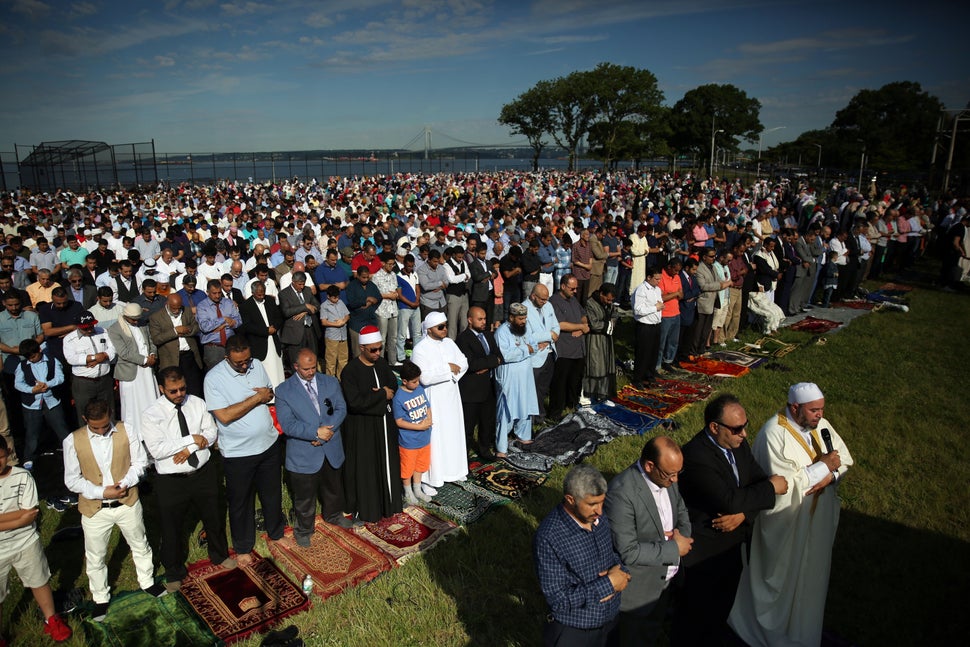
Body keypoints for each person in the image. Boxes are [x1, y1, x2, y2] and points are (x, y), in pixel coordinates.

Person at [729, 382, 853, 647]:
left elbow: (843, 458)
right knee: (781, 580)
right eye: (813, 410)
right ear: (795, 407)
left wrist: (830, 476)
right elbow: (782, 485)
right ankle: (771, 633)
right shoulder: (773, 434)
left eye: (821, 409)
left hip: (815, 522)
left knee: (812, 579)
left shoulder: (820, 425)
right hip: (787, 525)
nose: (819, 415)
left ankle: (803, 633)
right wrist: (823, 467)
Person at [673, 394, 788, 646]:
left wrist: (745, 514)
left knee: (719, 612)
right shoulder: (695, 456)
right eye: (737, 428)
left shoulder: (737, 445)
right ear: (715, 427)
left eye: (745, 426)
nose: (744, 434)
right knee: (693, 621)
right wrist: (771, 489)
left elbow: (754, 484)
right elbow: (729, 500)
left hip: (733, 547)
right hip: (703, 553)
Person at [63, 399, 165, 619]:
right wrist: (102, 492)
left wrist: (125, 483)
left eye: (105, 425)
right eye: (95, 427)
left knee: (140, 543)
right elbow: (72, 480)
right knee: (95, 555)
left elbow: (139, 462)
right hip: (94, 508)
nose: (101, 431)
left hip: (127, 501)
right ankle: (100, 597)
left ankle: (147, 581)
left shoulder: (126, 429)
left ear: (110, 415)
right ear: (84, 420)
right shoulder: (72, 441)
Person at [140, 367, 235, 593]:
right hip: (172, 480)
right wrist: (191, 438)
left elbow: (210, 433)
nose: (180, 394)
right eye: (173, 391)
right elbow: (157, 449)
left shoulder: (197, 403)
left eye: (182, 388)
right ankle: (173, 571)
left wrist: (191, 447)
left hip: (202, 472)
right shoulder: (151, 414)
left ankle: (219, 555)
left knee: (213, 516)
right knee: (171, 527)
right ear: (161, 389)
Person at [604, 436, 692, 647]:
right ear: (649, 465)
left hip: (664, 582)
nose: (675, 480)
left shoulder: (667, 477)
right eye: (670, 474)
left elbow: (681, 510)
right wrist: (673, 548)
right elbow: (628, 551)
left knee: (650, 634)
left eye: (678, 473)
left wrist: (683, 537)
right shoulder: (622, 493)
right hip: (638, 593)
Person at [204, 336, 283, 568]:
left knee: (272, 493)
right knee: (241, 502)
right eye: (239, 362)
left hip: (268, 443)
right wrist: (256, 398)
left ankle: (276, 532)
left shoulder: (257, 364)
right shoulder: (214, 378)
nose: (246, 365)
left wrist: (261, 397)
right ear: (227, 357)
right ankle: (243, 546)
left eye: (247, 360)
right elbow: (225, 415)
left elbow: (269, 394)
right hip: (238, 453)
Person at [534, 464, 629, 647]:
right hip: (576, 631)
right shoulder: (549, 537)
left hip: (610, 620)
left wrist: (620, 571)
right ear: (570, 499)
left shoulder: (598, 519)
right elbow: (559, 601)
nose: (599, 511)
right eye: (592, 504)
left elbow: (614, 554)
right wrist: (608, 585)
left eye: (602, 502)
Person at [276, 349, 354, 546]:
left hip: (331, 446)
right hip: (304, 453)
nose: (311, 372)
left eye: (313, 367)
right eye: (306, 369)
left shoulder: (330, 382)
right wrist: (315, 432)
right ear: (295, 367)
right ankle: (304, 529)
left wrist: (327, 432)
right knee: (305, 498)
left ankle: (333, 514)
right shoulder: (284, 391)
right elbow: (288, 424)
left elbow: (341, 408)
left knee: (333, 487)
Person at [0, 437, 72, 643]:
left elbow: (30, 512)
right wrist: (18, 518)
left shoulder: (22, 476)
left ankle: (52, 620)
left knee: (39, 580)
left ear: (9, 451)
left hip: (26, 541)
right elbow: (23, 515)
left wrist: (23, 518)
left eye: (1, 457)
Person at [339, 325, 402, 522]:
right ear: (362, 348)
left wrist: (381, 393)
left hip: (384, 424)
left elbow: (393, 385)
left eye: (379, 348)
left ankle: (390, 502)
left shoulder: (382, 363)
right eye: (373, 349)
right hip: (363, 429)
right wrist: (381, 395)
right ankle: (367, 509)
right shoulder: (350, 371)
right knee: (367, 469)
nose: (377, 353)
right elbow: (356, 402)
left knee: (387, 463)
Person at [410, 311, 468, 489]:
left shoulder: (450, 343)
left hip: (451, 394)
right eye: (440, 327)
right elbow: (425, 378)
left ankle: (454, 470)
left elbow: (464, 362)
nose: (445, 329)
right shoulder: (420, 349)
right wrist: (448, 368)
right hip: (433, 398)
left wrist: (452, 375)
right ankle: (431, 479)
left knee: (453, 433)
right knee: (436, 437)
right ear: (429, 330)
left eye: (445, 325)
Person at [14, 339, 70, 472]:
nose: (32, 359)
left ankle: (71, 453)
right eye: (29, 358)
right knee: (32, 433)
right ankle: (28, 458)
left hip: (52, 402)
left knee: (61, 429)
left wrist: (47, 385)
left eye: (33, 356)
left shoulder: (52, 361)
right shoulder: (22, 366)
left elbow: (60, 377)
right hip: (32, 405)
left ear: (39, 350)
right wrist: (32, 390)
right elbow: (18, 383)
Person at [493, 302, 539, 458]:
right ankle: (501, 447)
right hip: (509, 378)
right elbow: (507, 355)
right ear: (511, 317)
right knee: (506, 409)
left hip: (525, 377)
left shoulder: (525, 329)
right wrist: (525, 349)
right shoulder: (502, 332)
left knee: (526, 404)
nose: (523, 321)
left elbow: (535, 347)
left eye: (525, 318)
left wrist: (523, 350)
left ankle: (523, 436)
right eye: (520, 318)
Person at [108, 303, 158, 441]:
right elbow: (124, 352)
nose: (135, 322)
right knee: (132, 406)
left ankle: (153, 432)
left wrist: (153, 355)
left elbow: (150, 342)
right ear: (125, 316)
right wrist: (143, 360)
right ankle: (135, 436)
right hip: (131, 372)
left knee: (150, 400)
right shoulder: (115, 329)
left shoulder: (142, 324)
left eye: (137, 319)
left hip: (147, 371)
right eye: (133, 319)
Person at [455, 306, 500, 460]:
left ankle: (484, 450)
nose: (483, 322)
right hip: (471, 391)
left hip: (488, 388)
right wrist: (490, 362)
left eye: (485, 319)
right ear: (469, 320)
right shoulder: (463, 339)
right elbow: (471, 364)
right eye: (480, 319)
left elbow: (499, 357)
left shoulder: (488, 334)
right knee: (468, 427)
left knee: (487, 423)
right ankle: (463, 457)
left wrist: (485, 365)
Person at [392, 360, 434, 505]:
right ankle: (407, 491)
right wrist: (419, 427)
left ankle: (417, 489)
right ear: (404, 381)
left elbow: (427, 406)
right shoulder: (399, 398)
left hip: (424, 438)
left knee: (421, 465)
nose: (417, 384)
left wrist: (429, 419)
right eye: (414, 381)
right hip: (409, 441)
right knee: (407, 467)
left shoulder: (420, 389)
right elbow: (399, 421)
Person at [62, 309, 116, 422]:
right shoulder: (69, 339)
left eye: (91, 326)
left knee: (109, 411)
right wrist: (93, 358)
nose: (89, 329)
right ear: (78, 326)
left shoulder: (103, 331)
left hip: (104, 380)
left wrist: (104, 355)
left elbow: (113, 348)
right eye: (85, 328)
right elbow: (71, 358)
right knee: (85, 414)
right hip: (83, 383)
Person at [548, 274, 588, 420]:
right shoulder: (554, 302)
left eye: (576, 288)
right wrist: (579, 327)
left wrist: (583, 326)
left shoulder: (573, 299)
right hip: (564, 350)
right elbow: (559, 324)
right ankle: (555, 413)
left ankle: (571, 404)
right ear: (563, 286)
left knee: (574, 380)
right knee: (560, 383)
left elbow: (583, 315)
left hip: (578, 349)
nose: (575, 291)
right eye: (572, 288)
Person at [149, 293, 204, 398]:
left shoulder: (186, 311)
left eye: (179, 308)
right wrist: (175, 331)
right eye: (174, 308)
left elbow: (196, 327)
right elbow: (156, 338)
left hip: (189, 357)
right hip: (171, 359)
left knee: (194, 389)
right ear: (167, 304)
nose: (177, 311)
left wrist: (186, 330)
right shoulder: (156, 317)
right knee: (175, 390)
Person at [238, 281, 285, 388]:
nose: (261, 296)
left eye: (263, 293)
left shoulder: (270, 301)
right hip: (259, 344)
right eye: (259, 294)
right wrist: (265, 331)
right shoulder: (246, 306)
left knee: (276, 369)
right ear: (253, 292)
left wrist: (274, 328)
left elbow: (279, 317)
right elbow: (247, 326)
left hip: (273, 340)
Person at [524, 283, 559, 423]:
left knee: (543, 389)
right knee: (533, 389)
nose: (545, 302)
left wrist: (550, 336)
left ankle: (540, 417)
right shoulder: (524, 308)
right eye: (542, 299)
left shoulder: (548, 306)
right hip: (535, 357)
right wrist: (549, 335)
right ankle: (530, 419)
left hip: (549, 352)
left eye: (546, 299)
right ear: (533, 296)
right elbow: (528, 336)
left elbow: (556, 326)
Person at [583, 283, 618, 402]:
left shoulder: (610, 304)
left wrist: (610, 323)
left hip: (607, 339)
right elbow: (594, 324)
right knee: (596, 366)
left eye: (611, 300)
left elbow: (614, 315)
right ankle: (590, 395)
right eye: (608, 299)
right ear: (601, 294)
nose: (609, 302)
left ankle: (604, 394)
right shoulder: (590, 303)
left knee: (607, 366)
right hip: (595, 340)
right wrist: (608, 324)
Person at [278, 270, 320, 368]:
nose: (302, 287)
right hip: (295, 332)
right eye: (299, 284)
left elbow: (317, 306)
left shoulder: (307, 290)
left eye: (303, 284)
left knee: (312, 357)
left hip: (310, 329)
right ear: (293, 282)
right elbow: (286, 312)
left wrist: (306, 311)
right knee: (296, 361)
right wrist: (305, 306)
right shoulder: (284, 294)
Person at [630, 266, 664, 388]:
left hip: (656, 325)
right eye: (656, 279)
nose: (658, 281)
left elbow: (660, 303)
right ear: (649, 277)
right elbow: (638, 310)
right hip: (645, 326)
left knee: (653, 352)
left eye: (660, 279)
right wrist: (655, 308)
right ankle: (638, 378)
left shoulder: (657, 290)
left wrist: (658, 307)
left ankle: (649, 376)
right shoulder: (641, 290)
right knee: (643, 353)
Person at [197, 278, 240, 370]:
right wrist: (223, 319)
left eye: (219, 293)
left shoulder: (228, 303)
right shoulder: (202, 306)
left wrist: (225, 325)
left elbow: (239, 321)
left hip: (230, 346)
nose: (217, 296)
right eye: (214, 293)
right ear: (207, 292)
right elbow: (205, 327)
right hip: (213, 348)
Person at [320, 285, 350, 378]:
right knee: (331, 360)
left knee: (343, 359)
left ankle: (342, 378)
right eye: (334, 297)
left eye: (337, 297)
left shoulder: (341, 302)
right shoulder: (324, 306)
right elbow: (324, 322)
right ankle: (330, 379)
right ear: (328, 296)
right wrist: (336, 324)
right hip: (332, 336)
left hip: (343, 335)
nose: (336, 299)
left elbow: (347, 315)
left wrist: (343, 321)